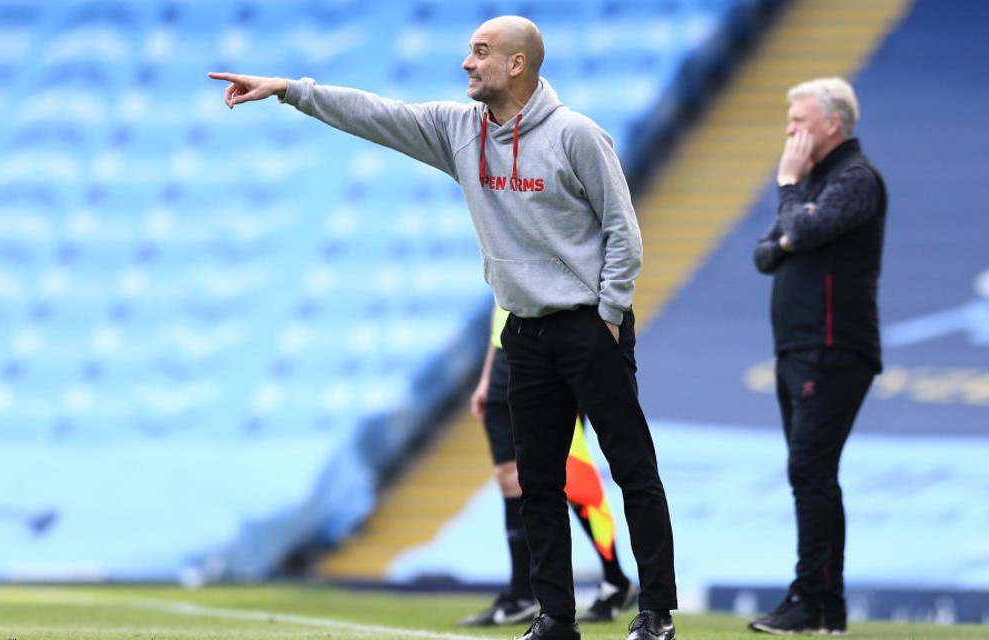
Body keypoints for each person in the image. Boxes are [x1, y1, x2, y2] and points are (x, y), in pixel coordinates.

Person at [209, 14, 678, 640]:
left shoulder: (576, 136)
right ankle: (556, 618)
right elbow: (377, 113)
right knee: (538, 482)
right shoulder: (460, 130)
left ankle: (655, 613)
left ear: (517, 63)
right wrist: (291, 90)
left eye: (480, 52)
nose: (466, 63)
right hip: (526, 332)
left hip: (589, 328)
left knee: (631, 469)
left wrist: (611, 314)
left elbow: (624, 231)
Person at [750, 77, 887, 636]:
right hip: (799, 348)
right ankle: (826, 606)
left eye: (799, 122)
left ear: (833, 124)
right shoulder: (814, 181)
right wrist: (791, 227)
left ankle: (809, 599)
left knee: (809, 470)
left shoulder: (856, 178)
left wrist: (789, 194)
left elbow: (802, 230)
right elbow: (765, 253)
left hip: (832, 348)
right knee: (814, 474)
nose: (790, 133)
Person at [461, 304, 636, 627]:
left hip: (549, 345)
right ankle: (521, 595)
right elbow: (502, 299)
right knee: (508, 474)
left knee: (568, 473)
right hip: (507, 349)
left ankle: (615, 580)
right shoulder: (503, 254)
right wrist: (487, 375)